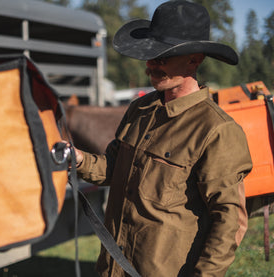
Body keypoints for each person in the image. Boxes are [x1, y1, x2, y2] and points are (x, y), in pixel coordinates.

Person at [73, 1, 253, 276]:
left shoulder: (217, 130)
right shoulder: (139, 110)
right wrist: (79, 159)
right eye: (150, 54)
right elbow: (113, 167)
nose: (151, 64)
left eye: (163, 56)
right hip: (112, 268)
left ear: (195, 59)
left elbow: (229, 222)